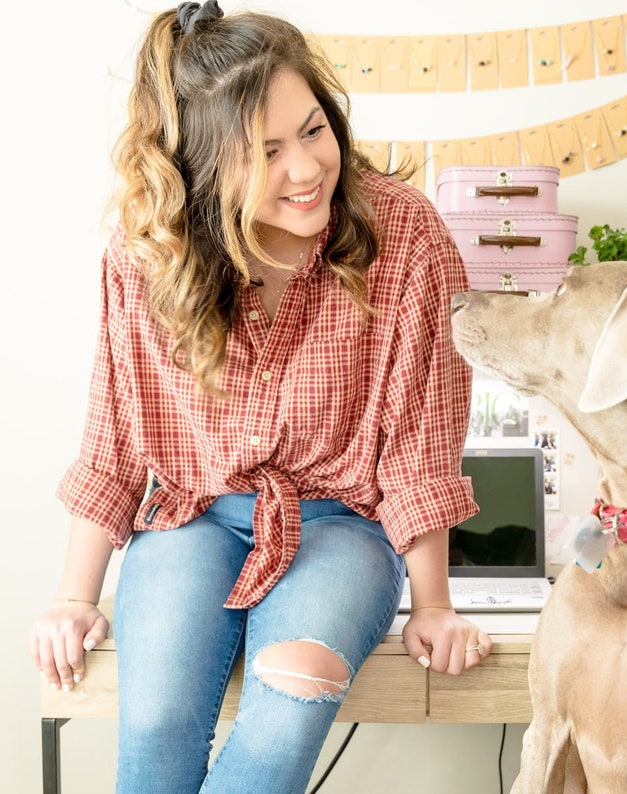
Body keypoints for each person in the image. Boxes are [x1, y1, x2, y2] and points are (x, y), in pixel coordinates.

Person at [29, 2, 492, 792]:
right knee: (157, 730)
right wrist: (75, 595)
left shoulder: (404, 235)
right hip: (193, 516)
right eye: (266, 152)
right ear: (204, 167)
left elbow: (420, 442)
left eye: (313, 131)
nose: (306, 169)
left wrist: (434, 606)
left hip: (341, 526)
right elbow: (114, 431)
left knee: (282, 722)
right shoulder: (147, 255)